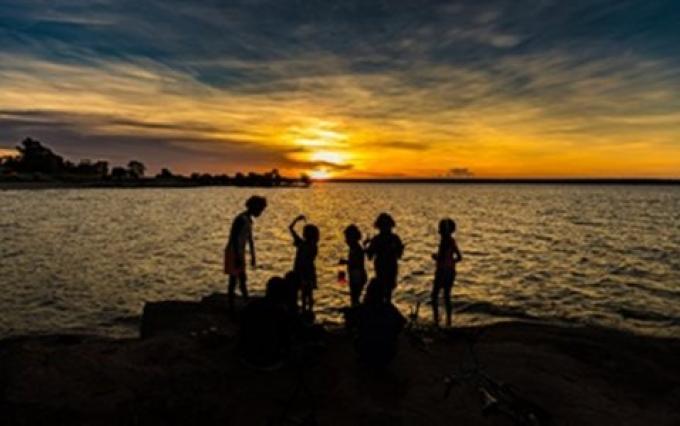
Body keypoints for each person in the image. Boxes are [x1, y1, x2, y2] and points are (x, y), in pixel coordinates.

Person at [238, 276, 294, 369]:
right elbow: (286, 341)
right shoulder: (280, 313)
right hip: (269, 360)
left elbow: (242, 333)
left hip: (247, 357)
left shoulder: (251, 306)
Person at [224, 195, 267, 313]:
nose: (261, 212)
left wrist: (253, 255)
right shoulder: (241, 219)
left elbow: (250, 239)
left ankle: (245, 302)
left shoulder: (248, 220)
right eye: (260, 209)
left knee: (242, 278)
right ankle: (233, 305)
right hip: (233, 251)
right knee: (234, 280)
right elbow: (233, 237)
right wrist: (237, 256)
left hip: (240, 252)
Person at [353, 279, 406, 367]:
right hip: (387, 354)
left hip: (366, 351)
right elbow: (402, 323)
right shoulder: (389, 308)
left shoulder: (363, 309)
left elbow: (354, 323)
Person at [431, 218, 463, 327]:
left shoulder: (444, 241)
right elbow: (459, 257)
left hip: (442, 271)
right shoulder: (452, 241)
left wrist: (435, 257)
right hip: (451, 271)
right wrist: (451, 262)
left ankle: (436, 320)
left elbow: (441, 258)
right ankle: (449, 321)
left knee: (434, 296)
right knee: (447, 296)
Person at [365, 213, 404, 303]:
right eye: (383, 225)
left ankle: (385, 304)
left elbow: (370, 256)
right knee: (384, 289)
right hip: (383, 267)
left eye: (386, 225)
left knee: (387, 289)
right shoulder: (391, 238)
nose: (385, 228)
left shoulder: (391, 238)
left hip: (389, 267)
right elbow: (370, 255)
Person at [289, 215, 319, 315]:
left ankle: (307, 310)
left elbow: (291, 229)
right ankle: (306, 310)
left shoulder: (307, 245)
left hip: (305, 271)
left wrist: (296, 220)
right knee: (306, 293)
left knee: (306, 293)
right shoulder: (308, 245)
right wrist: (296, 220)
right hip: (305, 271)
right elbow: (291, 229)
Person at [339, 224, 367, 307]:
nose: (346, 241)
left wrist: (346, 262)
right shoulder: (354, 248)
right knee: (354, 296)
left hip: (357, 275)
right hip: (355, 275)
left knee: (355, 296)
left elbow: (356, 262)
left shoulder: (357, 248)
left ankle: (355, 308)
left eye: (347, 238)